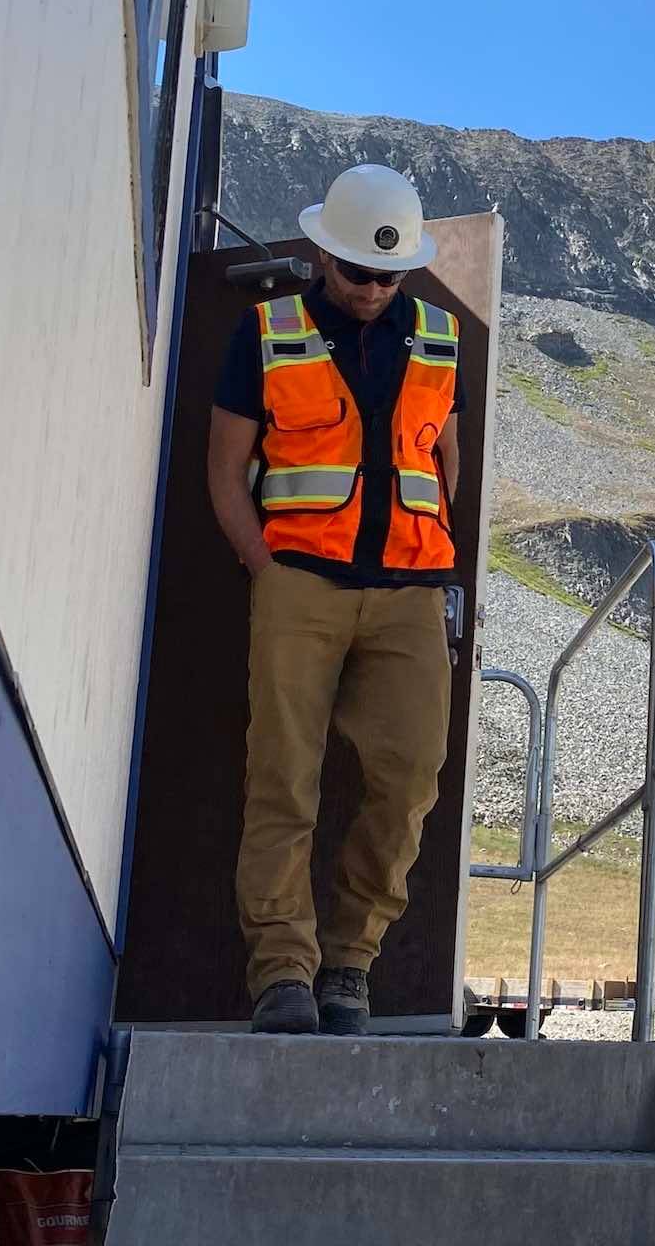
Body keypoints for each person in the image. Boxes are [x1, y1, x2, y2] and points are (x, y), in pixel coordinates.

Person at [208, 163, 465, 1035]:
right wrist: (264, 564)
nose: (373, 289)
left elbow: (443, 461)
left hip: (408, 596)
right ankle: (283, 970)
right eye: (358, 271)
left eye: (389, 275)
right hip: (300, 586)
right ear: (324, 255)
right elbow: (224, 466)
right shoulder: (265, 332)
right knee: (283, 776)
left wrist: (421, 551)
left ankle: (351, 964)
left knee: (412, 779)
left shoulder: (438, 335)